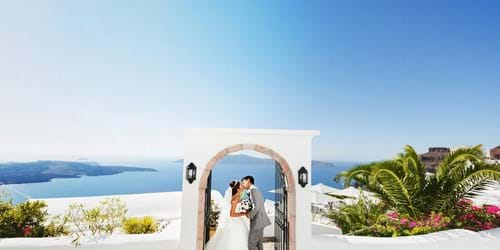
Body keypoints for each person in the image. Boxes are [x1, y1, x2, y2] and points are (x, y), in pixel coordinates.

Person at [205, 180, 249, 250]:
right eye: (240, 185)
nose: (242, 186)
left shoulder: (235, 197)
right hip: (235, 222)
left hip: (233, 221)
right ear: (237, 188)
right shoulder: (236, 198)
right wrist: (243, 213)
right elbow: (232, 214)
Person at [241, 176, 272, 250]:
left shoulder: (253, 191)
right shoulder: (255, 190)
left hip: (258, 222)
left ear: (248, 181)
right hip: (260, 221)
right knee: (259, 243)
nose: (242, 184)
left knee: (251, 244)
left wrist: (249, 215)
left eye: (243, 182)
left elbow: (257, 207)